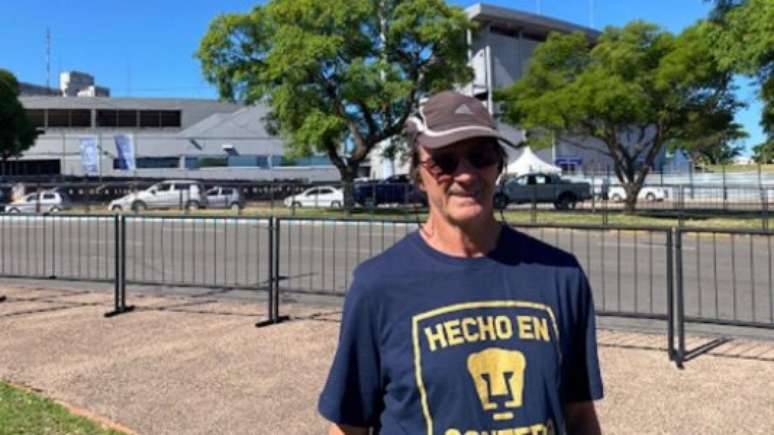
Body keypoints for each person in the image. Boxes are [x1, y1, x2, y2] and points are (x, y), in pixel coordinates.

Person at [318, 91, 603, 435]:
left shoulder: (561, 276)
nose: (466, 175)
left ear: (498, 165)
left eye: (480, 156)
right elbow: (349, 426)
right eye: (445, 162)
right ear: (418, 174)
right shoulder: (378, 286)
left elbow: (579, 415)